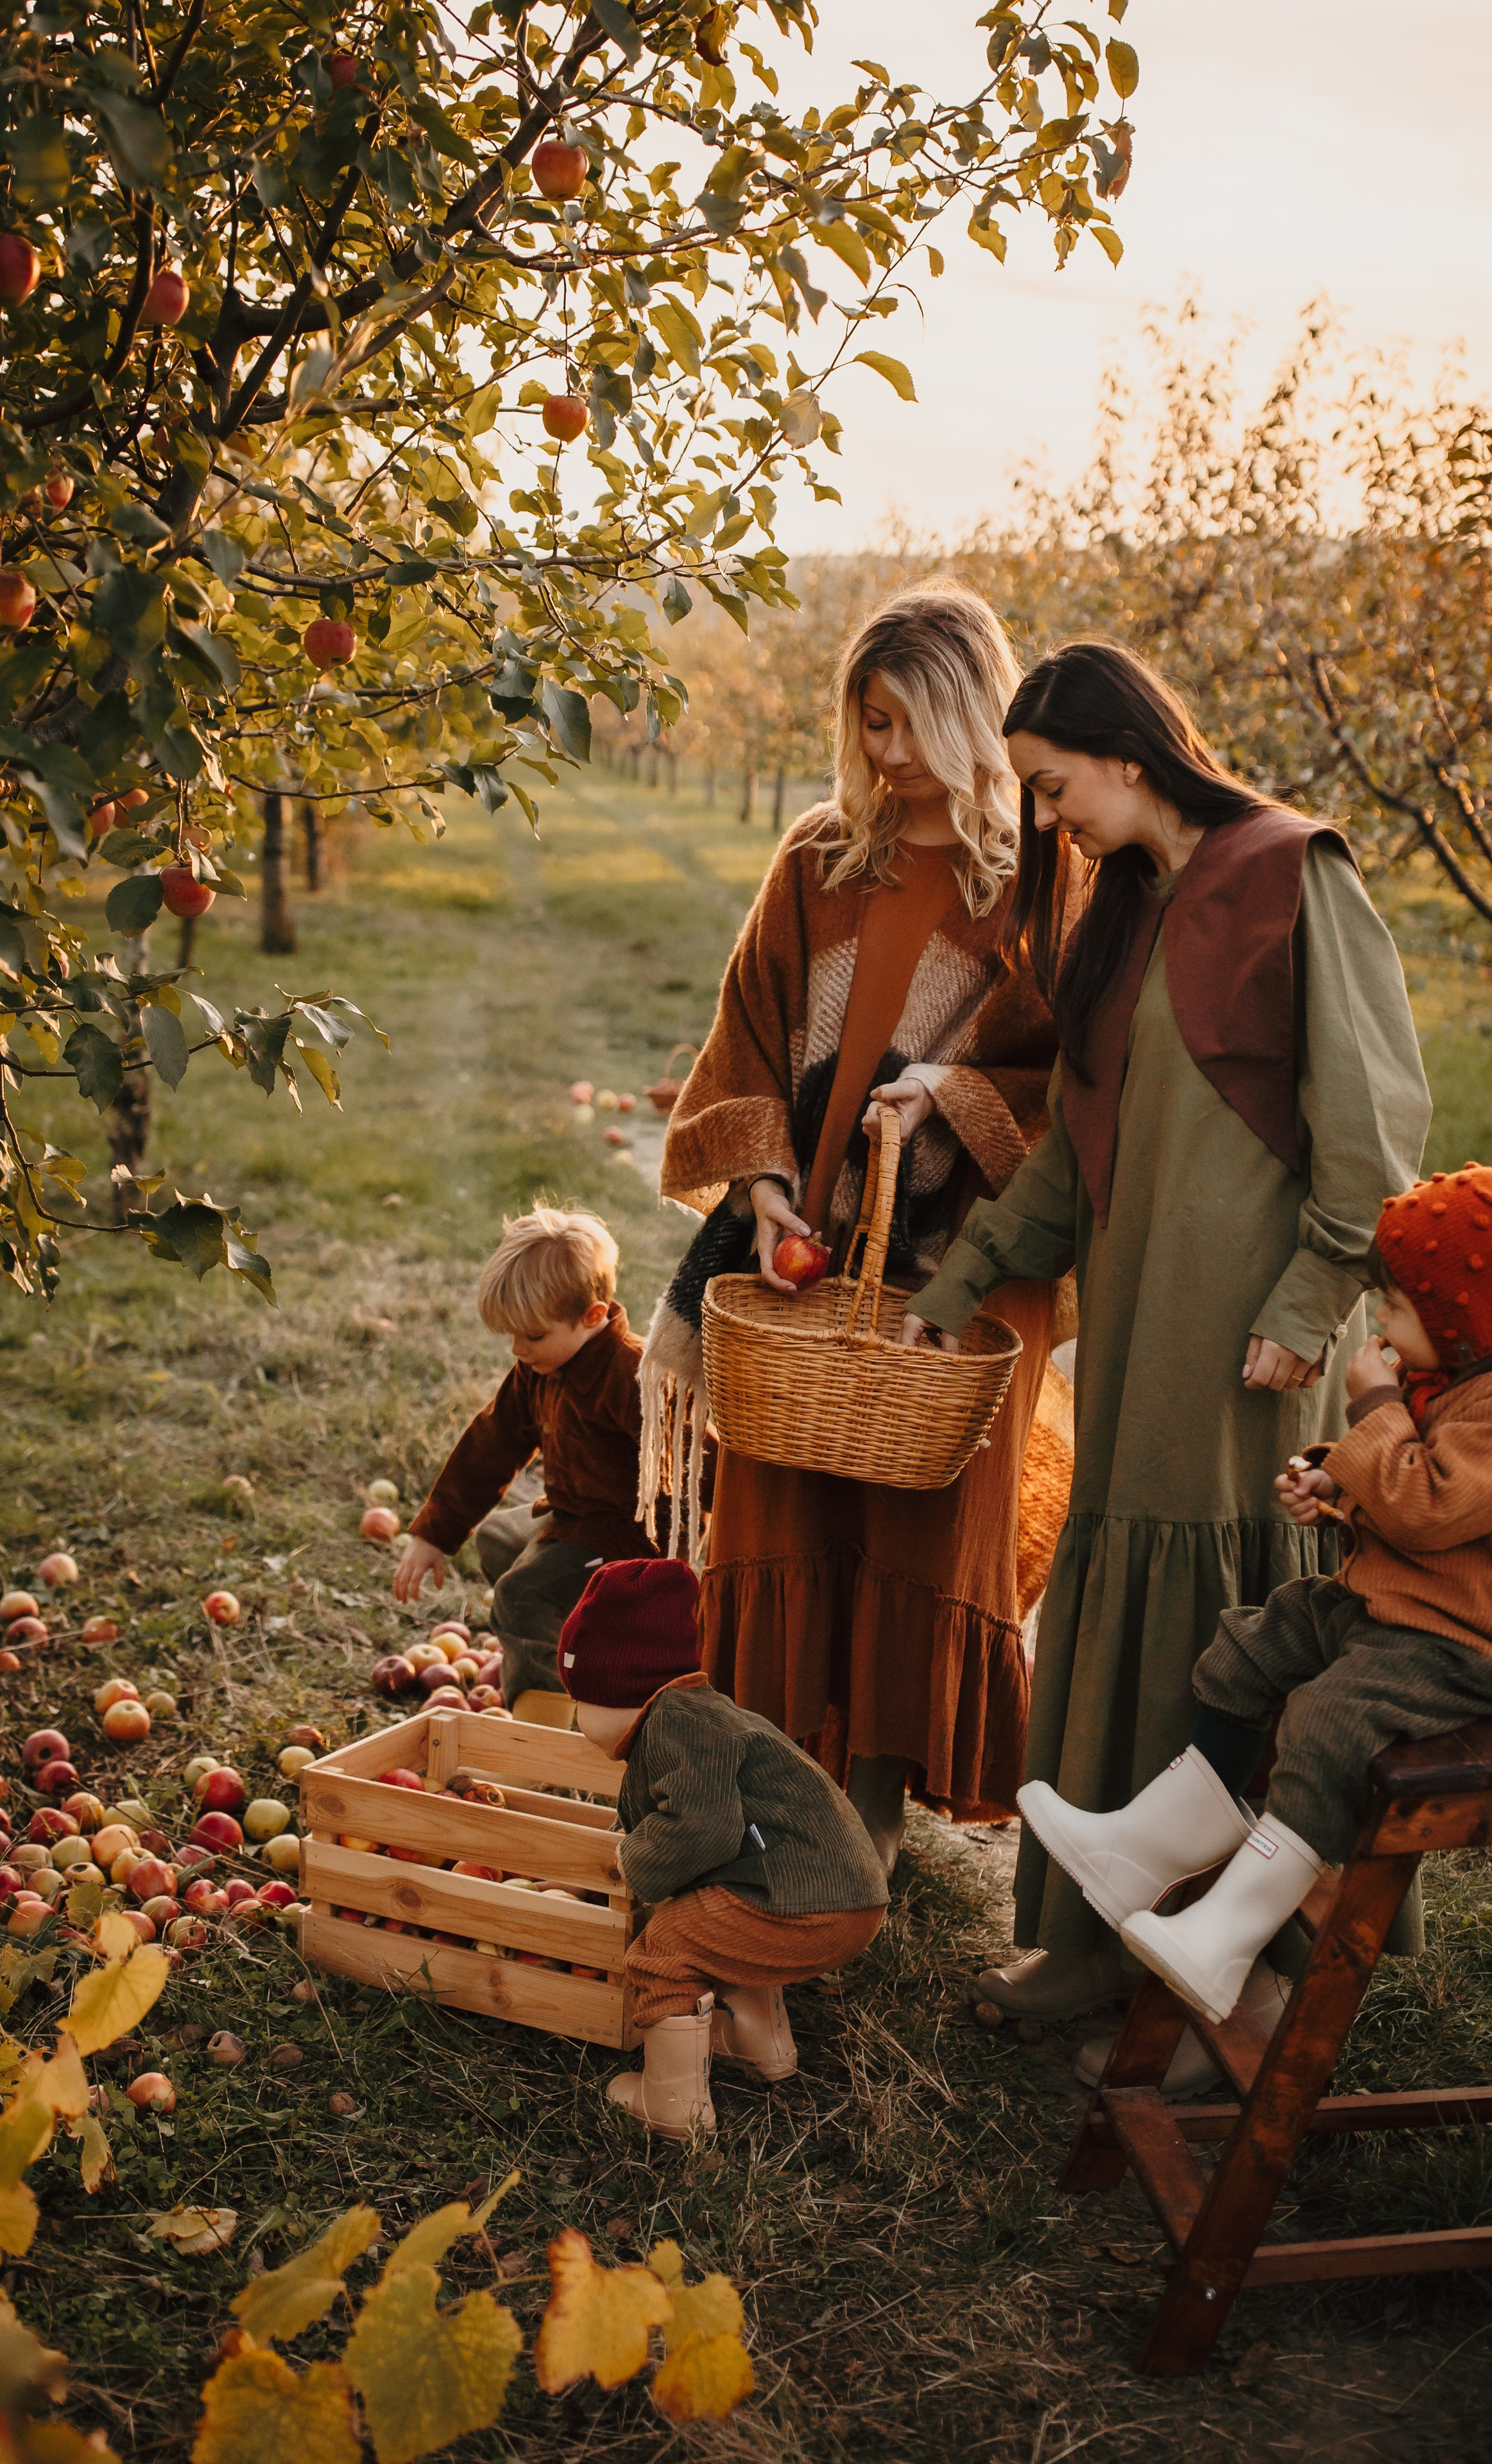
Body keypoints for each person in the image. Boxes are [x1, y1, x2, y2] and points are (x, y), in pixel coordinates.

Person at [900, 640, 1432, 2037]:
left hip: (1253, 1327)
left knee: (1228, 1619)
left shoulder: (1289, 871)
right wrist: (956, 1287)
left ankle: (1244, 1977)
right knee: (1125, 1587)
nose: (1046, 817)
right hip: (1138, 1316)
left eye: (1052, 783)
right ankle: (1092, 1944)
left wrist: (1309, 1302)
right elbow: (1078, 1154)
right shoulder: (1125, 909)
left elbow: (1371, 1125)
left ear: (1125, 756)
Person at [640, 585, 1072, 1870]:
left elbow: (1079, 1090)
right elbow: (748, 1047)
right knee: (784, 1515)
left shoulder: (1044, 889)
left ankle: (869, 1823)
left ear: (972, 720)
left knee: (914, 1532)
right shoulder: (819, 861)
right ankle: (786, 1790)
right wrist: (766, 1195)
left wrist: (949, 1093)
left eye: (910, 723)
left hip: (967, 1272)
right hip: (807, 1265)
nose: (886, 754)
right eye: (867, 722)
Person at [1019, 1165, 1492, 2025]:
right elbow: (1405, 1499)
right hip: (1392, 1609)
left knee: (1328, 1719)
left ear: (1462, 1323)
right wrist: (1337, 1491)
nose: (1382, 1326)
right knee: (1255, 1641)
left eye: (1395, 1310)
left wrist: (1377, 1413)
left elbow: (1431, 1509)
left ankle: (1229, 1936)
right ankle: (1148, 1847)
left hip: (1465, 1646)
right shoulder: (1454, 1381)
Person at [556, 1558, 888, 2141]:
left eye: (579, 1699)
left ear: (619, 1687)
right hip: (837, 1894)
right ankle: (759, 2042)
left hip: (807, 1901)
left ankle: (671, 2106)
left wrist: (628, 1862)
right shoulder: (697, 1714)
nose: (577, 1716)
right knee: (724, 1929)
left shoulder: (677, 1724)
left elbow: (701, 1830)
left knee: (665, 1950)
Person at [397, 1204, 692, 1724]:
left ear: (593, 1317)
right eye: (511, 1336)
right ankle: (574, 1653)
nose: (518, 1349)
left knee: (521, 1594)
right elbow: (494, 1442)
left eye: (532, 1336)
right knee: (498, 1540)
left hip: (630, 1541)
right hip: (573, 1518)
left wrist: (684, 1570)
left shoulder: (635, 1379)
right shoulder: (540, 1368)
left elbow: (697, 1461)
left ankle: (553, 1730)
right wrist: (435, 1533)